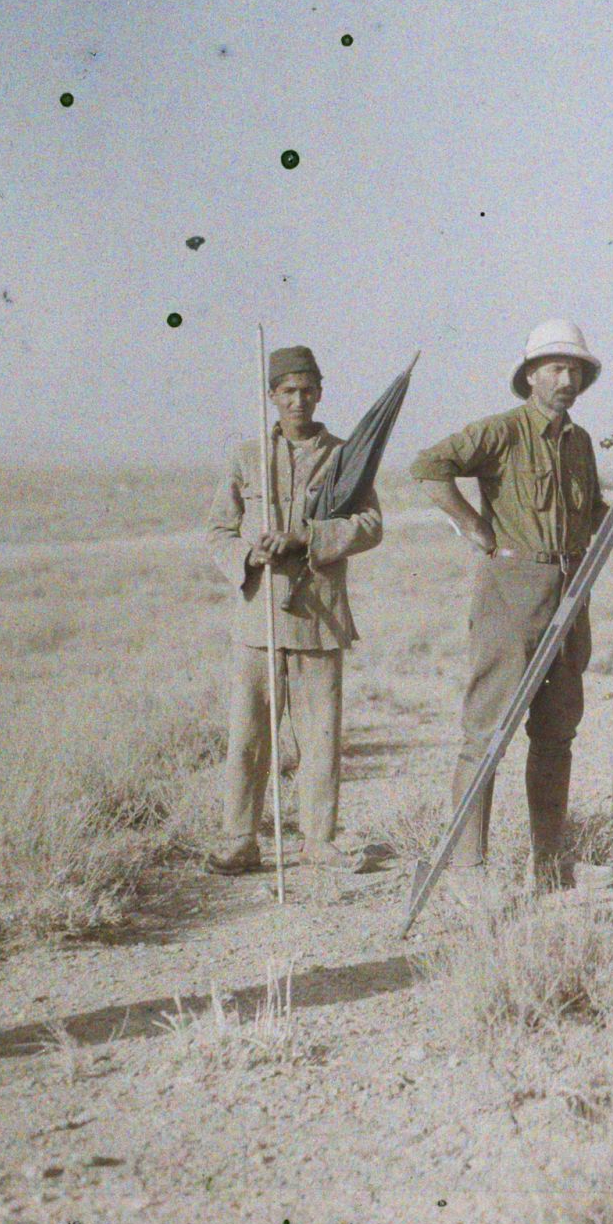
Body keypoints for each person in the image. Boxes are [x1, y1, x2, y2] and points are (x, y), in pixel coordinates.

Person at [410, 318, 612, 901]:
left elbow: (589, 508)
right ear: (530, 376)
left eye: (575, 369)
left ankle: (552, 866)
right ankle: (467, 871)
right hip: (512, 589)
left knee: (557, 733)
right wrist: (475, 528)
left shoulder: (579, 442)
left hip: (571, 590)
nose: (567, 379)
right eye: (555, 367)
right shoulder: (501, 431)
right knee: (487, 731)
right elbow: (429, 466)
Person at [205, 345, 384, 875]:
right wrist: (246, 554)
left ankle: (318, 840)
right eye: (288, 392)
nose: (298, 400)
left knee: (321, 736)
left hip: (318, 617)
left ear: (321, 392)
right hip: (258, 620)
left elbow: (371, 525)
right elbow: (217, 531)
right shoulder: (245, 456)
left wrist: (306, 538)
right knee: (248, 736)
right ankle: (239, 839)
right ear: (272, 397)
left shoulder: (345, 456)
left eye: (307, 390)